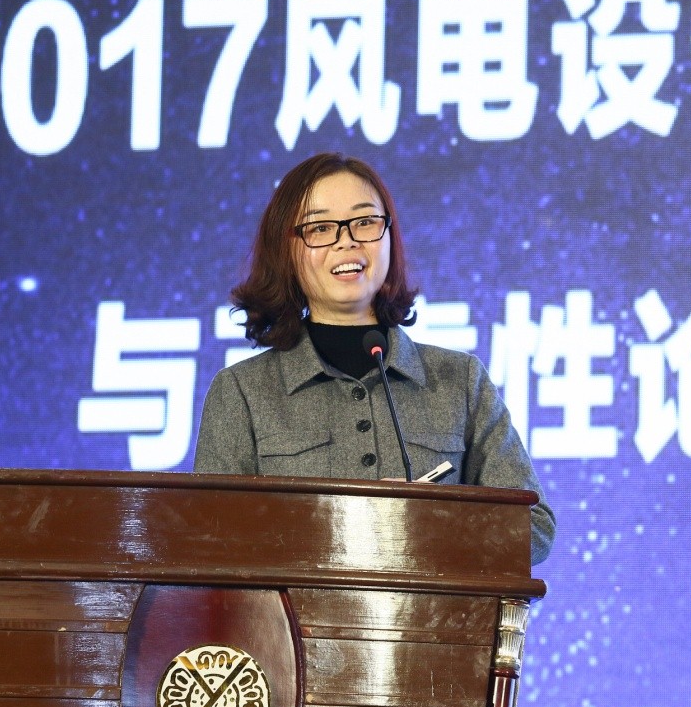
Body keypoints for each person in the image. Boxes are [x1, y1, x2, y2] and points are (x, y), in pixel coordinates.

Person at [193, 152, 554, 565]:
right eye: (320, 228)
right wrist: (343, 526)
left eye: (365, 222)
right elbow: (209, 540)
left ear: (389, 237)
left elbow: (535, 530)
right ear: (285, 249)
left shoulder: (460, 381)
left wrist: (430, 521)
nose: (347, 241)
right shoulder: (242, 392)